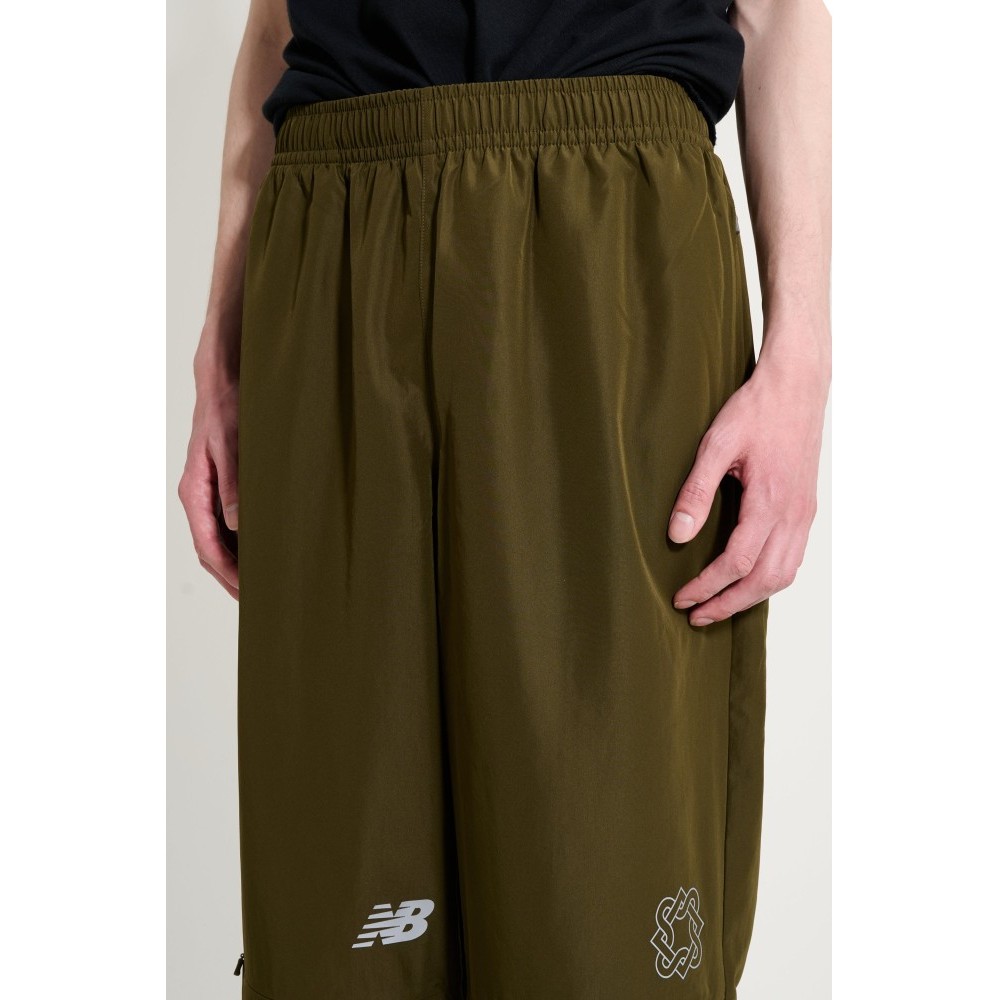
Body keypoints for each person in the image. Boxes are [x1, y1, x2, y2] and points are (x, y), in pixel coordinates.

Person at [178, 0, 831, 996]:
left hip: (608, 238)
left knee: (600, 908)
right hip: (332, 241)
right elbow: (276, 23)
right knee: (341, 924)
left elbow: (777, 11)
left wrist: (801, 361)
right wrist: (218, 354)